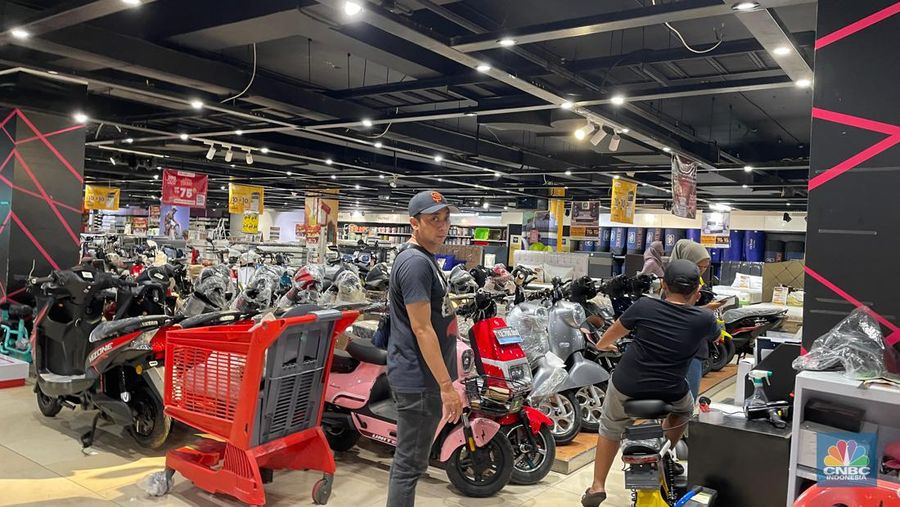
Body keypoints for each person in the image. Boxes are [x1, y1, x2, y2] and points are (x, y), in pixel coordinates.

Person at [581, 260, 720, 507]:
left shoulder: (644, 306)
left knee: (610, 426)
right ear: (697, 293)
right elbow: (716, 337)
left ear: (664, 285)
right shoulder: (704, 319)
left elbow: (607, 338)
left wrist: (604, 346)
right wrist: (703, 309)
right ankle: (665, 448)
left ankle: (597, 486)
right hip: (670, 391)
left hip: (627, 385)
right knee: (685, 410)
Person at [386, 190, 463, 507]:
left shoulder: (425, 259)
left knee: (410, 463)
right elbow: (421, 327)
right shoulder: (416, 263)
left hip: (421, 377)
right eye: (434, 220)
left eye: (445, 219)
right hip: (419, 380)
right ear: (413, 223)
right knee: (409, 466)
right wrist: (446, 385)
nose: (442, 226)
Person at [669, 239, 728, 400]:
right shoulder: (672, 284)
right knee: (684, 400)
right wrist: (707, 309)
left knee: (688, 397)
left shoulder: (695, 280)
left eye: (705, 267)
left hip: (696, 347)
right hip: (681, 349)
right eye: (699, 266)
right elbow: (678, 313)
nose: (702, 270)